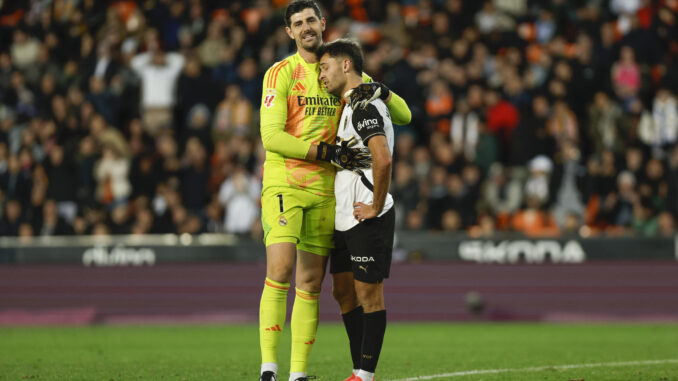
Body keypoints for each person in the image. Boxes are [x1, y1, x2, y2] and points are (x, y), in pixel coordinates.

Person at [256, 2, 411, 381]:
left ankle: (297, 374)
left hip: (328, 190)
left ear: (323, 24)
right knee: (279, 269)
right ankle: (268, 369)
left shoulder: (341, 70)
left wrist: (385, 91)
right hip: (287, 183)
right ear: (289, 32)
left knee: (311, 283)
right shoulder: (282, 73)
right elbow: (271, 136)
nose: (306, 27)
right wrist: (324, 151)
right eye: (298, 23)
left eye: (311, 19)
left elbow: (404, 114)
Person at [318, 39, 396, 381]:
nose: (321, 74)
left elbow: (383, 158)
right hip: (345, 215)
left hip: (367, 213)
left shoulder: (365, 106)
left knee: (368, 293)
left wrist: (376, 205)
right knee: (343, 292)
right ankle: (357, 370)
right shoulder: (350, 106)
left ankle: (365, 374)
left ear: (346, 65)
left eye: (325, 67)